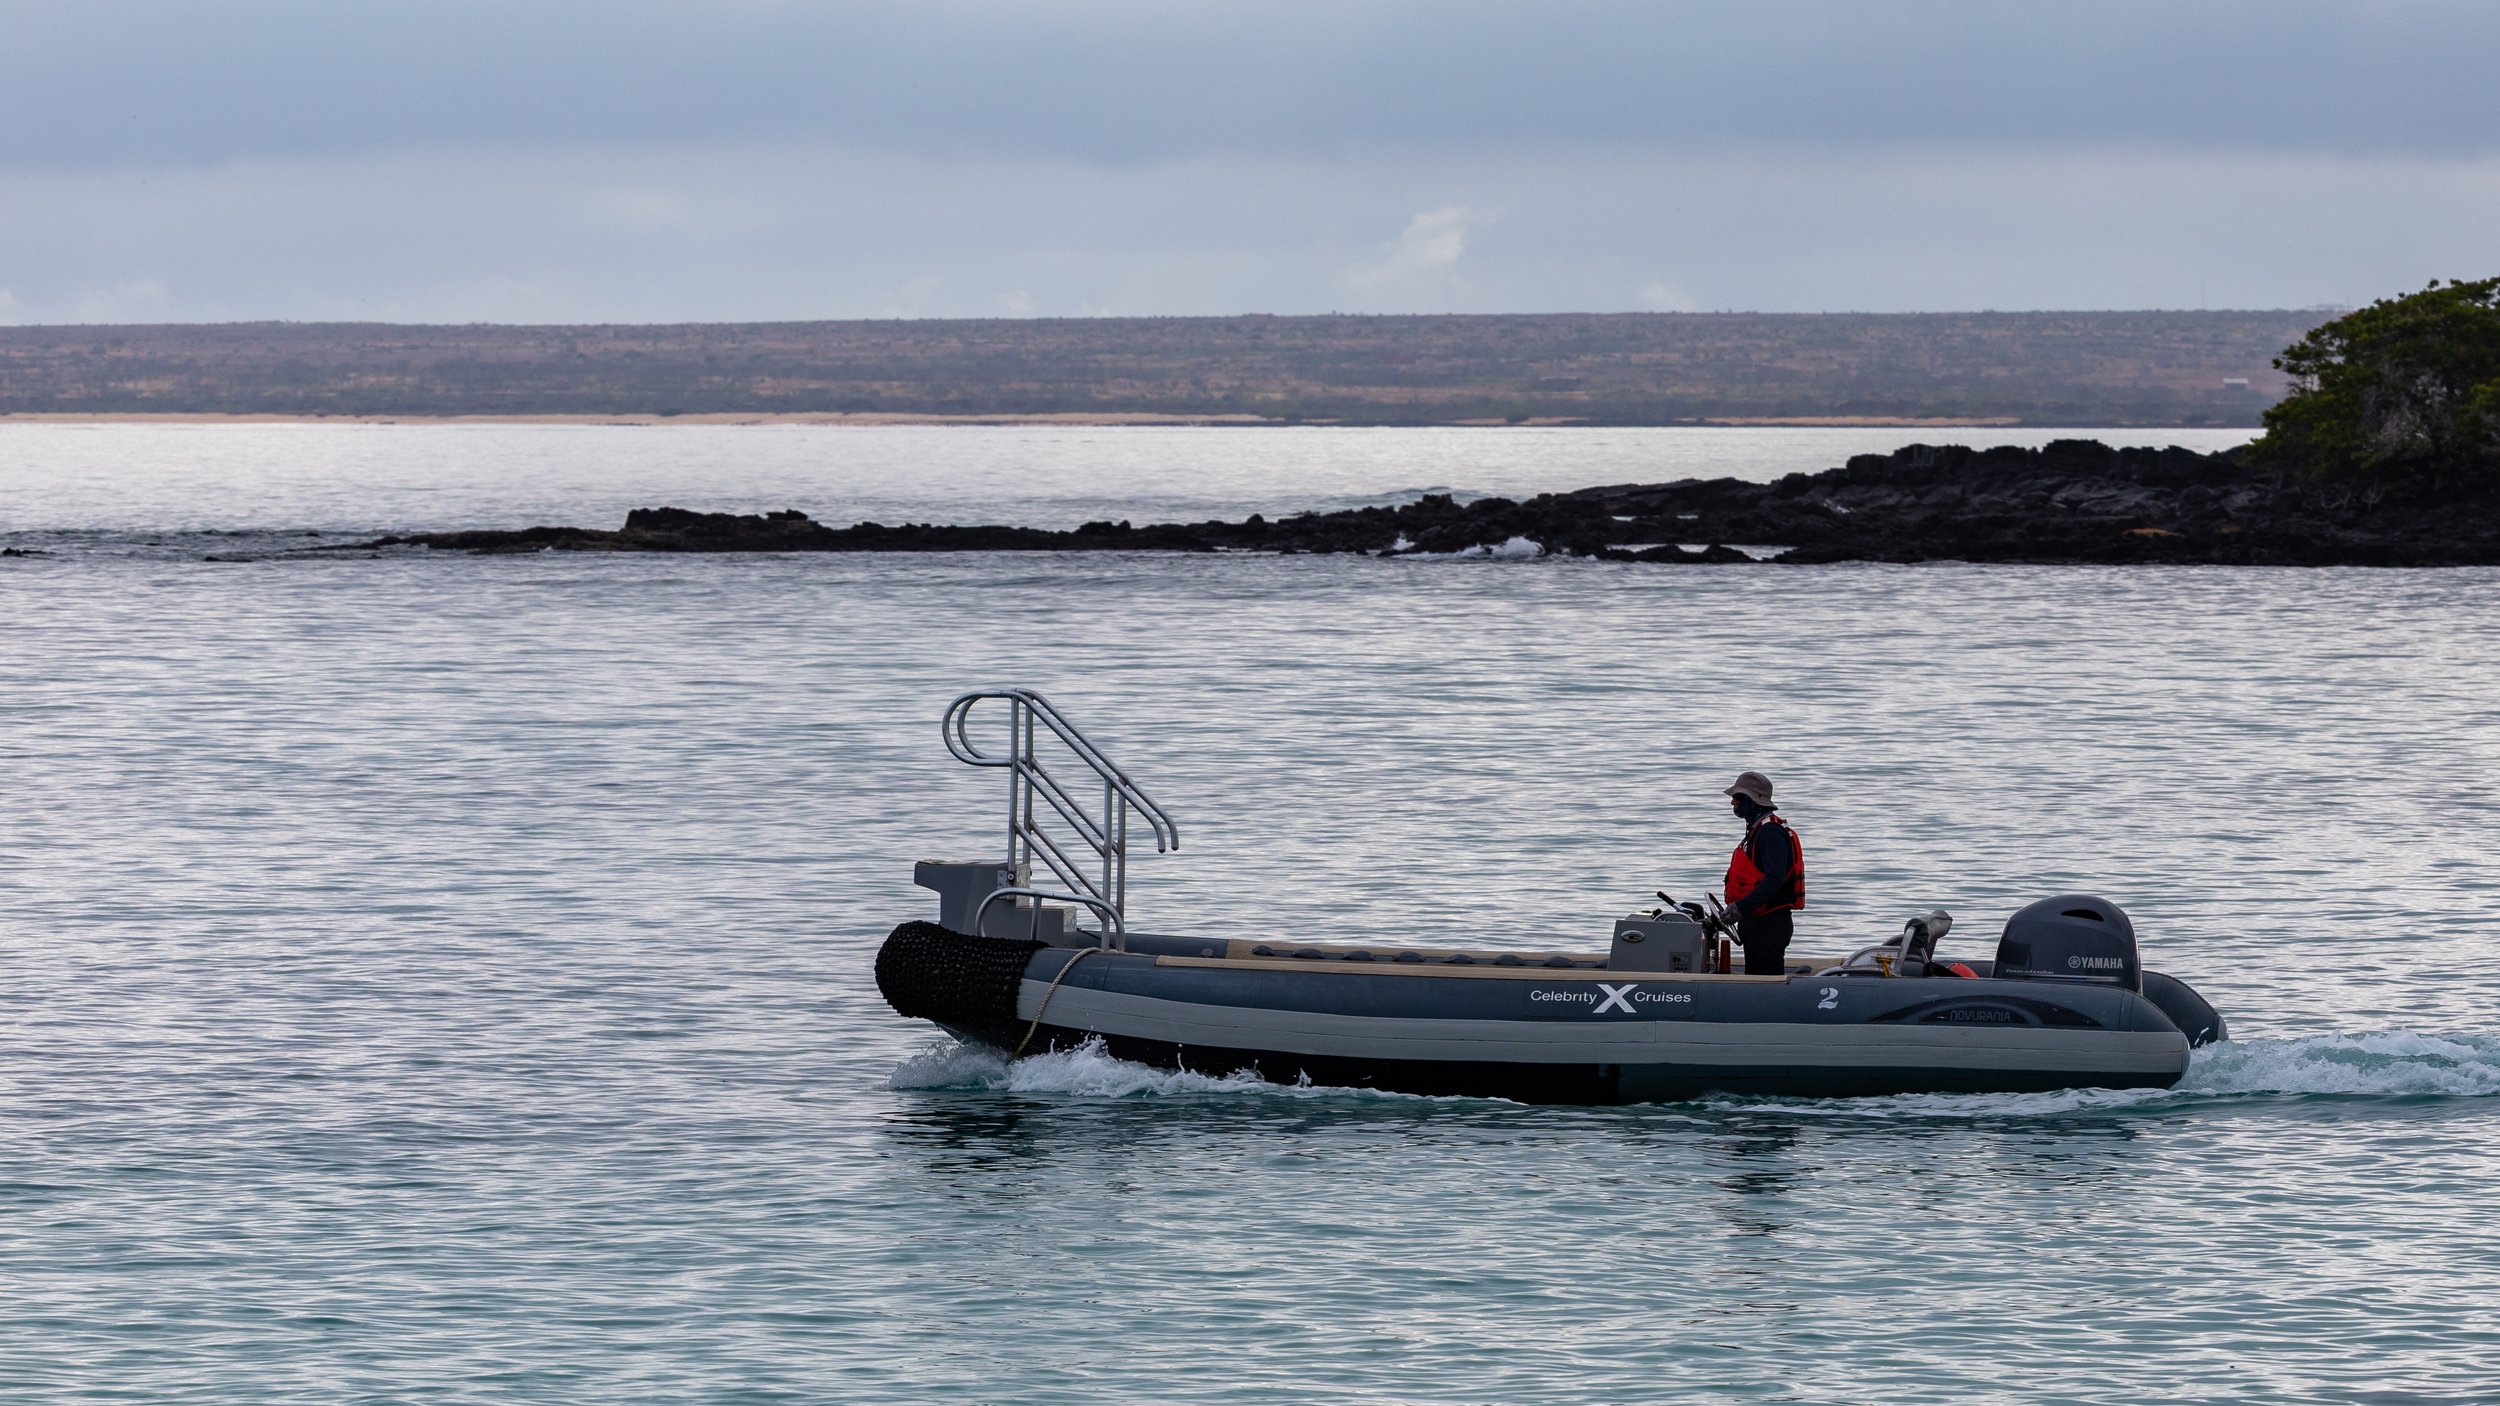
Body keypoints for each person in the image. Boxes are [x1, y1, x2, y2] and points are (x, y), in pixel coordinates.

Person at [1719, 770, 1804, 975]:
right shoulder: (1758, 830)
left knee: (1765, 980)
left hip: (1769, 926)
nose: (1733, 802)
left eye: (1738, 797)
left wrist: (1740, 907)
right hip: (1757, 924)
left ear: (1754, 801)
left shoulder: (1770, 833)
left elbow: (1775, 879)